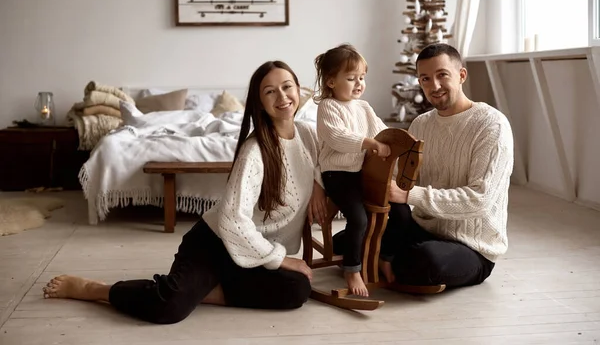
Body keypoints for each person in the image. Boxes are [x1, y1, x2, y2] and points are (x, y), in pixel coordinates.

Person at [42, 61, 328, 324]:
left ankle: (205, 291)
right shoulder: (255, 151)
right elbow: (232, 221)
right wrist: (281, 259)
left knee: (297, 291)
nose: (282, 97)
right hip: (216, 243)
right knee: (170, 308)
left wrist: (317, 184)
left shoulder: (307, 134)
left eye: (287, 86)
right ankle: (96, 289)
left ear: (298, 88)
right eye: (270, 91)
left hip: (255, 255)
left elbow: (326, 163)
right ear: (259, 102)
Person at [334, 43, 514, 289]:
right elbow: (397, 176)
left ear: (461, 75)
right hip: (423, 228)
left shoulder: (491, 125)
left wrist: (409, 194)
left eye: (442, 75)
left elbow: (479, 200)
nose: (434, 86)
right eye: (425, 79)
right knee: (342, 244)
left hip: (472, 246)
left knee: (425, 261)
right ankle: (390, 260)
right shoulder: (421, 124)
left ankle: (390, 261)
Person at [313, 43, 392, 297]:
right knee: (358, 218)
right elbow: (338, 137)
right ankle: (351, 268)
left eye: (362, 78)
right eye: (351, 78)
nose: (359, 83)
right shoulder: (328, 107)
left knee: (393, 211)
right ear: (331, 82)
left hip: (360, 172)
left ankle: (383, 258)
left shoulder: (364, 107)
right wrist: (369, 143)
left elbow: (381, 131)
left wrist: (396, 140)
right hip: (337, 175)